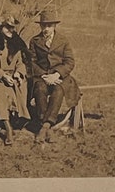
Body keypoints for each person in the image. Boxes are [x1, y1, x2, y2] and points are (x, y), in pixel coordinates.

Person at [29, 10, 81, 143]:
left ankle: (45, 126)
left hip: (60, 77)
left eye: (49, 26)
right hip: (42, 77)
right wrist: (45, 75)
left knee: (58, 91)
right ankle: (47, 126)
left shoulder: (63, 40)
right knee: (40, 89)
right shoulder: (35, 41)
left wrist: (57, 74)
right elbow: (31, 62)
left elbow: (70, 62)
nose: (46, 29)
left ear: (54, 26)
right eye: (43, 26)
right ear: (40, 26)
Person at [0, 14, 31, 145]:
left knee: (21, 85)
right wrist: (3, 76)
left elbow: (21, 62)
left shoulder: (16, 42)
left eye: (12, 28)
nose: (10, 30)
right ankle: (7, 126)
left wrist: (18, 73)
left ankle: (19, 119)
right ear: (0, 28)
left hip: (12, 76)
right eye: (7, 27)